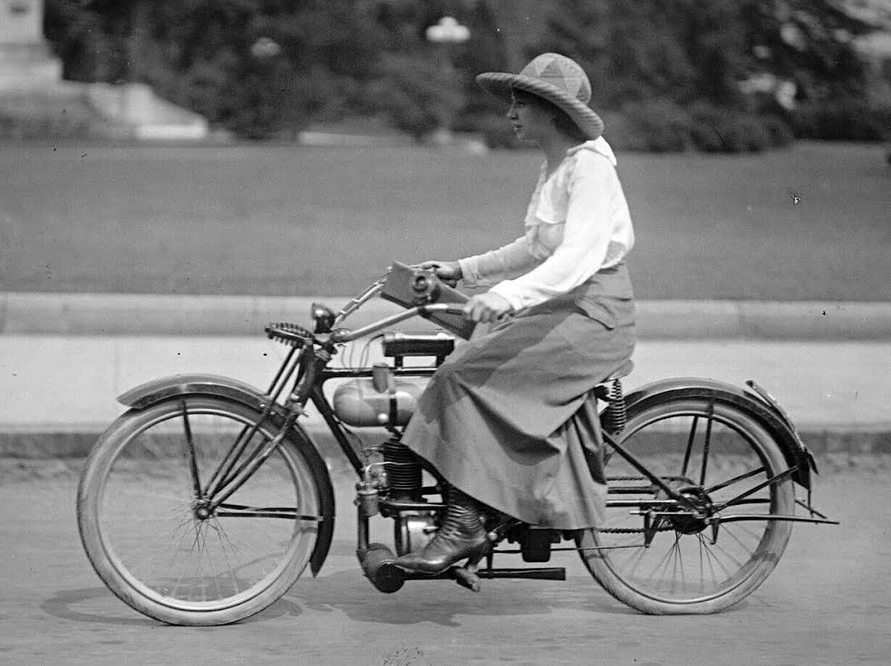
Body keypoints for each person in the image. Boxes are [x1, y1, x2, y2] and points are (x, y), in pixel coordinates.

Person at [394, 53, 636, 575]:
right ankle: (470, 502)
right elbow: (535, 247)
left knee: (463, 378)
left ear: (551, 110)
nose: (511, 115)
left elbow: (578, 257)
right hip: (564, 304)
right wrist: (462, 269)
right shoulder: (559, 165)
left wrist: (507, 298)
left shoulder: (590, 168)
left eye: (520, 104)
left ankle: (466, 523)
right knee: (465, 357)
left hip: (592, 315)